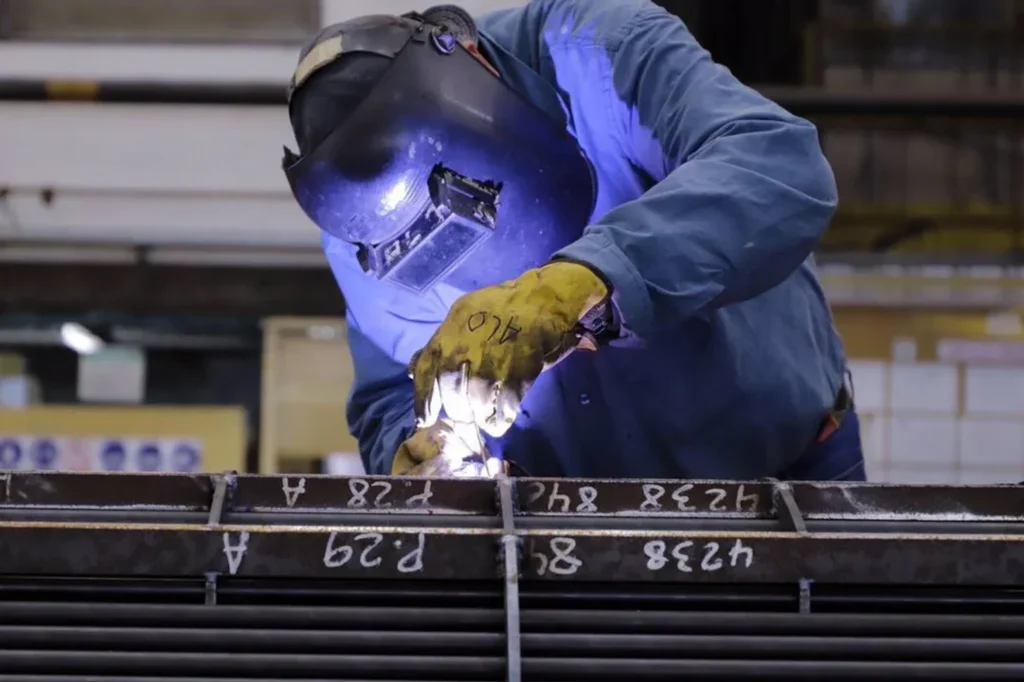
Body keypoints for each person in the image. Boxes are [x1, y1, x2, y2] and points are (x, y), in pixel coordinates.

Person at [282, 0, 865, 481]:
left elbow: (780, 167)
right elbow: (388, 392)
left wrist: (586, 281)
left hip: (787, 465)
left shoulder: (602, 52)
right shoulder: (357, 239)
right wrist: (412, 448)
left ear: (474, 62)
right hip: (573, 521)